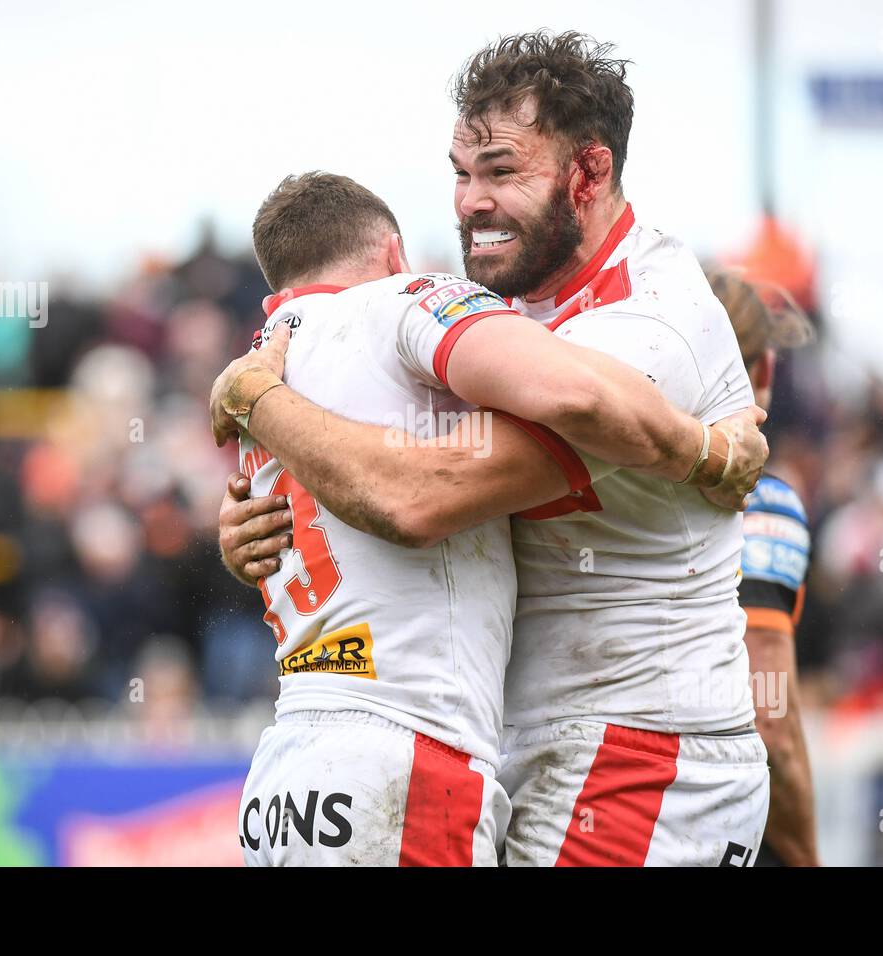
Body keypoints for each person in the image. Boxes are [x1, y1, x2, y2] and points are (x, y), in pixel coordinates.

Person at [214, 32, 773, 866]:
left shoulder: (652, 326)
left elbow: (415, 496)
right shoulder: (498, 313)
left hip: (644, 758)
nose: (470, 202)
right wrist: (266, 516)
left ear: (586, 175)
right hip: (534, 744)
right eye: (460, 172)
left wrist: (258, 400)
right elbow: (368, 465)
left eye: (503, 172)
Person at [706, 269, 820, 866]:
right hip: (715, 819)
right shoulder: (763, 503)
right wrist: (806, 856)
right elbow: (771, 721)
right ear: (765, 371)